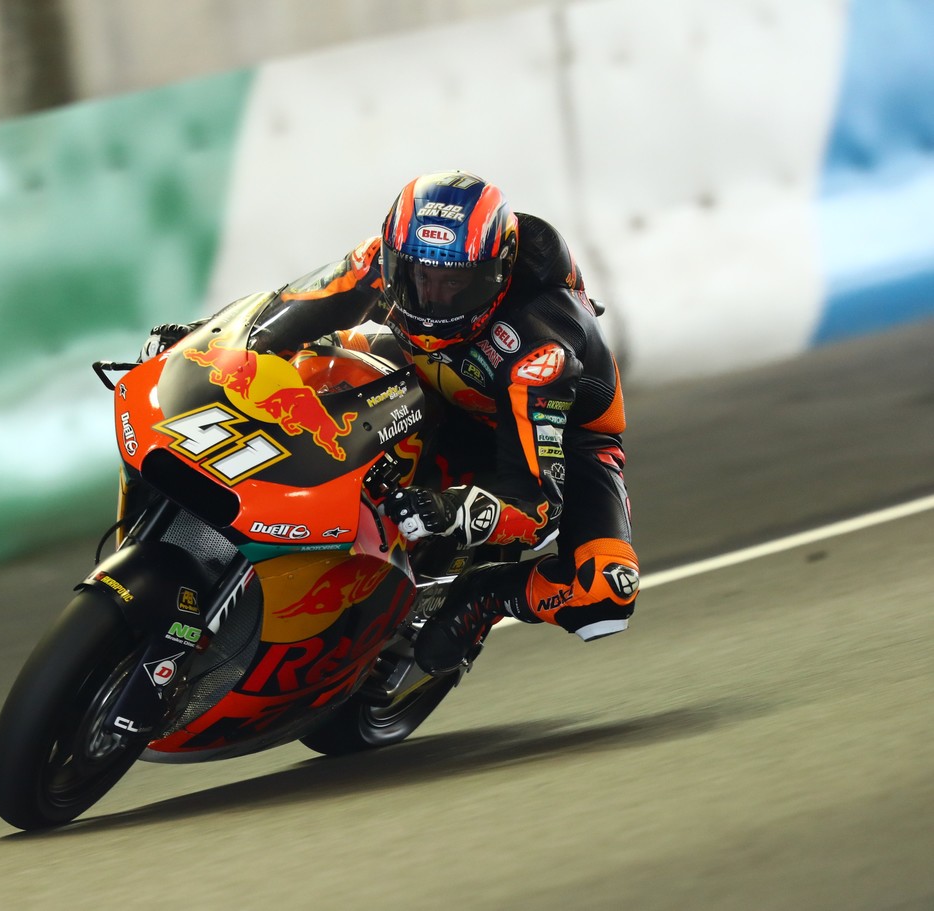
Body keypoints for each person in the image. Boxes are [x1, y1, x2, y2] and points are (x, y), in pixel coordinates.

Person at [140, 170, 639, 675]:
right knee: (311, 365)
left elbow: (537, 511)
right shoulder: (377, 263)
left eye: (455, 283)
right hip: (424, 380)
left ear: (497, 273)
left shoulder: (538, 348)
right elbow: (281, 316)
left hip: (554, 435)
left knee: (605, 592)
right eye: (418, 277)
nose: (432, 299)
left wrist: (452, 510)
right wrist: (206, 346)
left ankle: (488, 593)